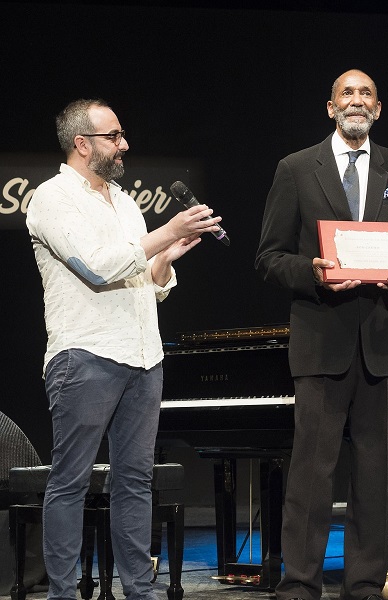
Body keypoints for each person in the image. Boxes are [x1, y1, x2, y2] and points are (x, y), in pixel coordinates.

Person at [26, 98, 222, 600]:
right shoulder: (51, 198)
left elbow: (145, 283)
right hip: (85, 355)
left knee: (135, 479)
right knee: (71, 480)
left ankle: (139, 590)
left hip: (144, 356)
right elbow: (96, 268)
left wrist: (166, 257)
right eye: (113, 136)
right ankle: (63, 594)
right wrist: (166, 232)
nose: (124, 144)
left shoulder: (125, 201)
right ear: (81, 143)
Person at [254, 69, 388, 600]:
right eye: (346, 94)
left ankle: (365, 584)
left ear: (379, 108)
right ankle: (300, 584)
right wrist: (314, 271)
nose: (357, 101)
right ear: (330, 108)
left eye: (366, 94)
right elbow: (269, 257)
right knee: (311, 471)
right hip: (320, 341)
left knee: (375, 472)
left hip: (381, 342)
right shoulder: (296, 168)